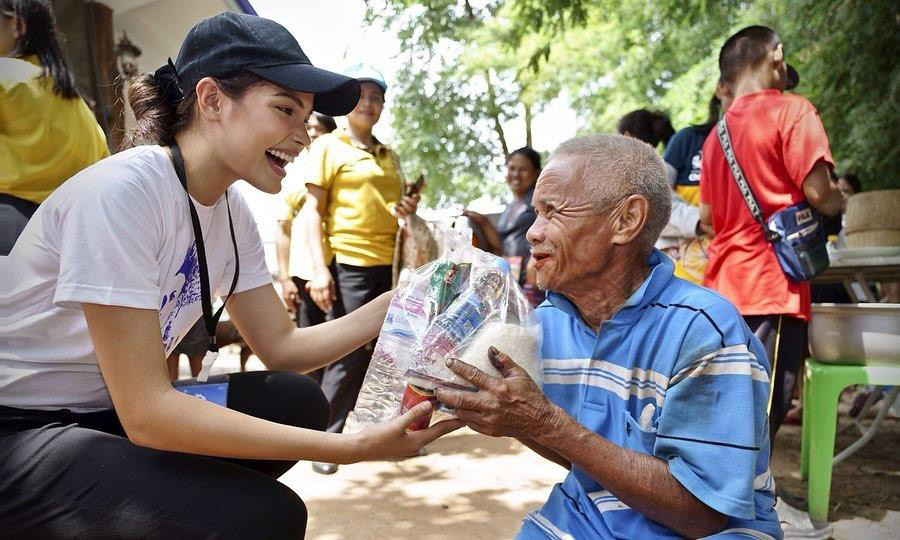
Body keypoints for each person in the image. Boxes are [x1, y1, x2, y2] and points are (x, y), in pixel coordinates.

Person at [0, 13, 460, 538]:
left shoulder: (231, 209)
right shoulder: (123, 193)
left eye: (305, 117)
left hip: (106, 415)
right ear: (212, 99)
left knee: (296, 400)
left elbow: (282, 347)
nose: (302, 136)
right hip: (22, 427)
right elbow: (149, 413)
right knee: (268, 517)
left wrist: (399, 302)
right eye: (285, 109)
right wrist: (350, 447)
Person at [435, 134, 781, 539]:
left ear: (626, 220)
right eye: (536, 213)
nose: (533, 233)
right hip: (588, 517)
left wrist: (545, 423)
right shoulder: (546, 324)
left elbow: (701, 515)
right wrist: (504, 413)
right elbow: (572, 448)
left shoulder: (704, 330)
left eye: (553, 212)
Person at [698, 25, 842, 445]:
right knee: (762, 410)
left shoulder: (716, 136)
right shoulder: (793, 110)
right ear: (776, 55)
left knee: (726, 407)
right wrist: (839, 199)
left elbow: (708, 219)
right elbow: (820, 194)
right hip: (771, 286)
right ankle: (740, 489)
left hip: (721, 288)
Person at [300, 63, 420, 474]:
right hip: (349, 262)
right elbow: (312, 212)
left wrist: (406, 208)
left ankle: (392, 436)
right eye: (362, 96)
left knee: (394, 351)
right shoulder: (328, 147)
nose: (369, 104)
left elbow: (392, 210)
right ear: (348, 102)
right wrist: (319, 270)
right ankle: (326, 445)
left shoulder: (390, 156)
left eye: (377, 98)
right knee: (347, 352)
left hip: (391, 267)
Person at [0, 0, 109, 255]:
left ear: (17, 25)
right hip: (73, 241)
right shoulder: (78, 103)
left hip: (9, 230)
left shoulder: (5, 76)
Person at [276, 112, 337, 328]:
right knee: (310, 337)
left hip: (342, 268)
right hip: (304, 272)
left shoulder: (345, 171)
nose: (312, 135)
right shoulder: (292, 175)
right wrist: (285, 279)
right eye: (308, 128)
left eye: (319, 131)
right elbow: (283, 229)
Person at [463, 147, 542, 304]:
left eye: (523, 169)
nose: (516, 174)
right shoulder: (511, 206)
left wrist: (535, 266)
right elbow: (501, 247)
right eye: (512, 168)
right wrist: (483, 222)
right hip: (512, 278)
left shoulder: (538, 200)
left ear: (536, 173)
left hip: (531, 282)